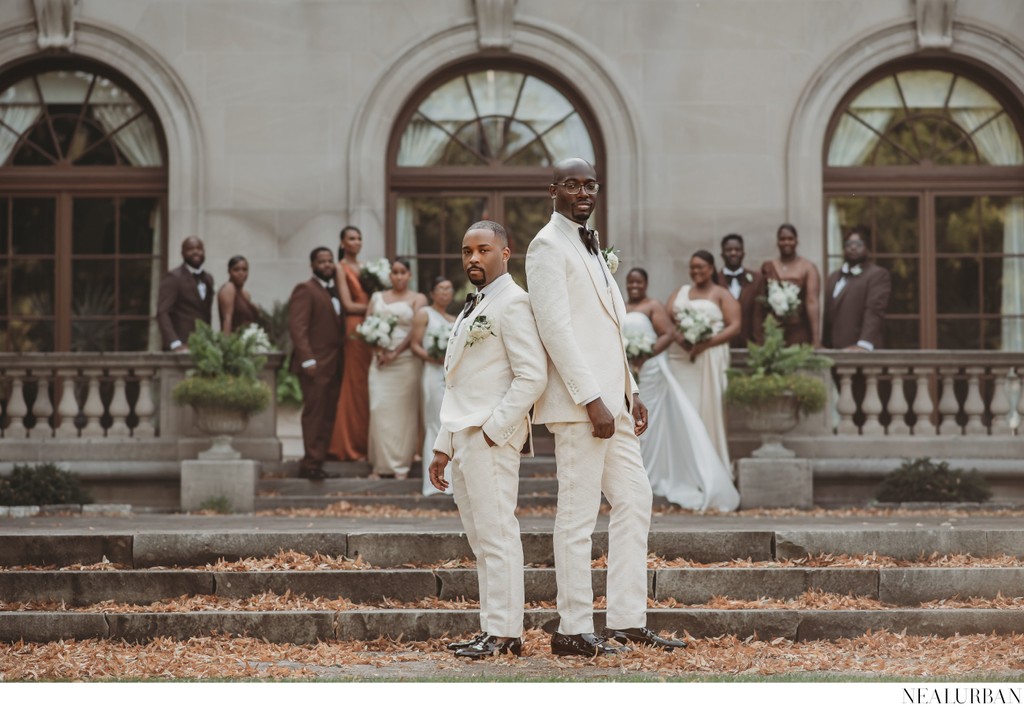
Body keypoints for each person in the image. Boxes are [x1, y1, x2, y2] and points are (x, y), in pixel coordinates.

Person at [526, 157, 686, 656]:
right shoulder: (546, 246)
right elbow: (555, 331)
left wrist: (630, 390)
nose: (582, 192)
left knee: (635, 501)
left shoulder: (592, 246)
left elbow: (611, 331)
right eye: (571, 184)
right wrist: (592, 399)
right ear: (553, 190)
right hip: (581, 407)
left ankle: (626, 620)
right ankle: (571, 629)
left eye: (589, 184)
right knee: (576, 516)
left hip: (614, 402)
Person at [427, 221, 547, 659]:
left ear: (505, 253)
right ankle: (492, 629)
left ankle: (505, 633)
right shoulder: (471, 307)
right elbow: (457, 382)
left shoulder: (514, 303)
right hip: (461, 436)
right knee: (481, 539)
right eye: (466, 252)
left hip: (490, 437)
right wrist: (444, 444)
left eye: (483, 250)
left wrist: (495, 432)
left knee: (497, 535)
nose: (473, 259)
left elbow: (532, 375)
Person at [624, 268, 739, 511]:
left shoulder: (654, 305)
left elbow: (668, 333)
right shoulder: (620, 305)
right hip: (627, 371)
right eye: (631, 281)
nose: (634, 285)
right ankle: (633, 477)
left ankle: (654, 476)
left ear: (645, 283)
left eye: (639, 281)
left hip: (651, 369)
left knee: (651, 423)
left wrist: (645, 354)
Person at [666, 251, 740, 470]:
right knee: (684, 410)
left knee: (707, 409)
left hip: (710, 357)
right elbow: (667, 317)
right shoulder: (681, 291)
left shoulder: (721, 294)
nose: (695, 271)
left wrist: (705, 344)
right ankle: (685, 468)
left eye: (700, 267)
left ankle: (710, 467)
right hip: (681, 359)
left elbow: (735, 325)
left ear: (711, 268)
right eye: (692, 267)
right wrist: (683, 339)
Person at [288, 247, 346, 480]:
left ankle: (317, 461)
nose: (327, 265)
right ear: (312, 265)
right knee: (314, 414)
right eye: (321, 262)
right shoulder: (305, 289)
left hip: (334, 363)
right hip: (315, 365)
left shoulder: (334, 291)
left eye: (330, 261)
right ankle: (310, 463)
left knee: (327, 414)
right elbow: (297, 327)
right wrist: (307, 359)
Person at [367, 258, 427, 480]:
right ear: (389, 275)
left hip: (406, 362)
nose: (399, 276)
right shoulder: (377, 298)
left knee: (404, 413)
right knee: (378, 409)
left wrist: (396, 352)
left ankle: (401, 465)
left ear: (409, 275)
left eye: (403, 272)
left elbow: (416, 329)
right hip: (380, 362)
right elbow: (368, 326)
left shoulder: (417, 299)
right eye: (395, 272)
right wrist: (379, 351)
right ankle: (380, 465)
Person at [329, 226, 372, 461]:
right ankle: (348, 445)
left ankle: (367, 442)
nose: (356, 242)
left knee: (368, 385)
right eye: (351, 239)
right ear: (343, 243)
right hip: (355, 326)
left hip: (374, 328)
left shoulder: (367, 267)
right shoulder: (340, 267)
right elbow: (347, 304)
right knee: (354, 384)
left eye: (359, 238)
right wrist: (378, 306)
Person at [411, 276, 456, 497]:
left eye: (449, 289)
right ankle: (432, 482)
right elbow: (414, 345)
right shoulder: (424, 314)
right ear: (432, 292)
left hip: (451, 375)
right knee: (434, 422)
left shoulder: (455, 318)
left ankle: (450, 480)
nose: (445, 293)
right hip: (432, 372)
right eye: (441, 289)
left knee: (449, 423)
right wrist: (433, 357)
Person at [824, 227, 892, 350]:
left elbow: (874, 311)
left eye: (859, 244)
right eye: (849, 244)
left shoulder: (877, 275)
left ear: (867, 247)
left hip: (862, 353)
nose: (853, 247)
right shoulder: (834, 277)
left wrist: (864, 344)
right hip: (835, 352)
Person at [755, 223, 822, 347]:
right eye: (782, 239)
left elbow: (812, 302)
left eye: (790, 239)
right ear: (777, 242)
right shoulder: (767, 266)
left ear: (797, 241)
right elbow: (760, 302)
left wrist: (816, 339)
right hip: (773, 329)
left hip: (798, 329)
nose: (786, 242)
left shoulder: (808, 267)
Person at [157, 236, 214, 351]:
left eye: (199, 248)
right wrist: (174, 343)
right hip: (181, 346)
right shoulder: (173, 277)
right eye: (190, 249)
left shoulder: (208, 278)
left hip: (204, 346)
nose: (195, 252)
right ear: (182, 253)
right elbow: (162, 312)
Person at [719, 234, 763, 348]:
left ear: (743, 253)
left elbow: (759, 314)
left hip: (750, 345)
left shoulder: (757, 279)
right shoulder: (714, 280)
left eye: (737, 250)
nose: (733, 253)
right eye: (729, 250)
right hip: (721, 345)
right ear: (722, 254)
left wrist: (759, 344)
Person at [217, 255, 261, 333]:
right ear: (229, 271)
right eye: (236, 270)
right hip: (235, 341)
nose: (241, 273)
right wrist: (226, 344)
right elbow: (227, 319)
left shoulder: (246, 294)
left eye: (244, 269)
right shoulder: (229, 288)